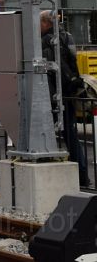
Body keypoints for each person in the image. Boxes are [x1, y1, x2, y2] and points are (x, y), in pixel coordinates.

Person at [41, 10, 88, 187]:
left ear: (46, 23)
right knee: (71, 134)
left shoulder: (47, 41)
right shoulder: (66, 36)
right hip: (68, 92)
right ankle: (82, 175)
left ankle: (72, 178)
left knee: (53, 135)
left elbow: (54, 69)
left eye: (39, 23)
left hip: (55, 95)